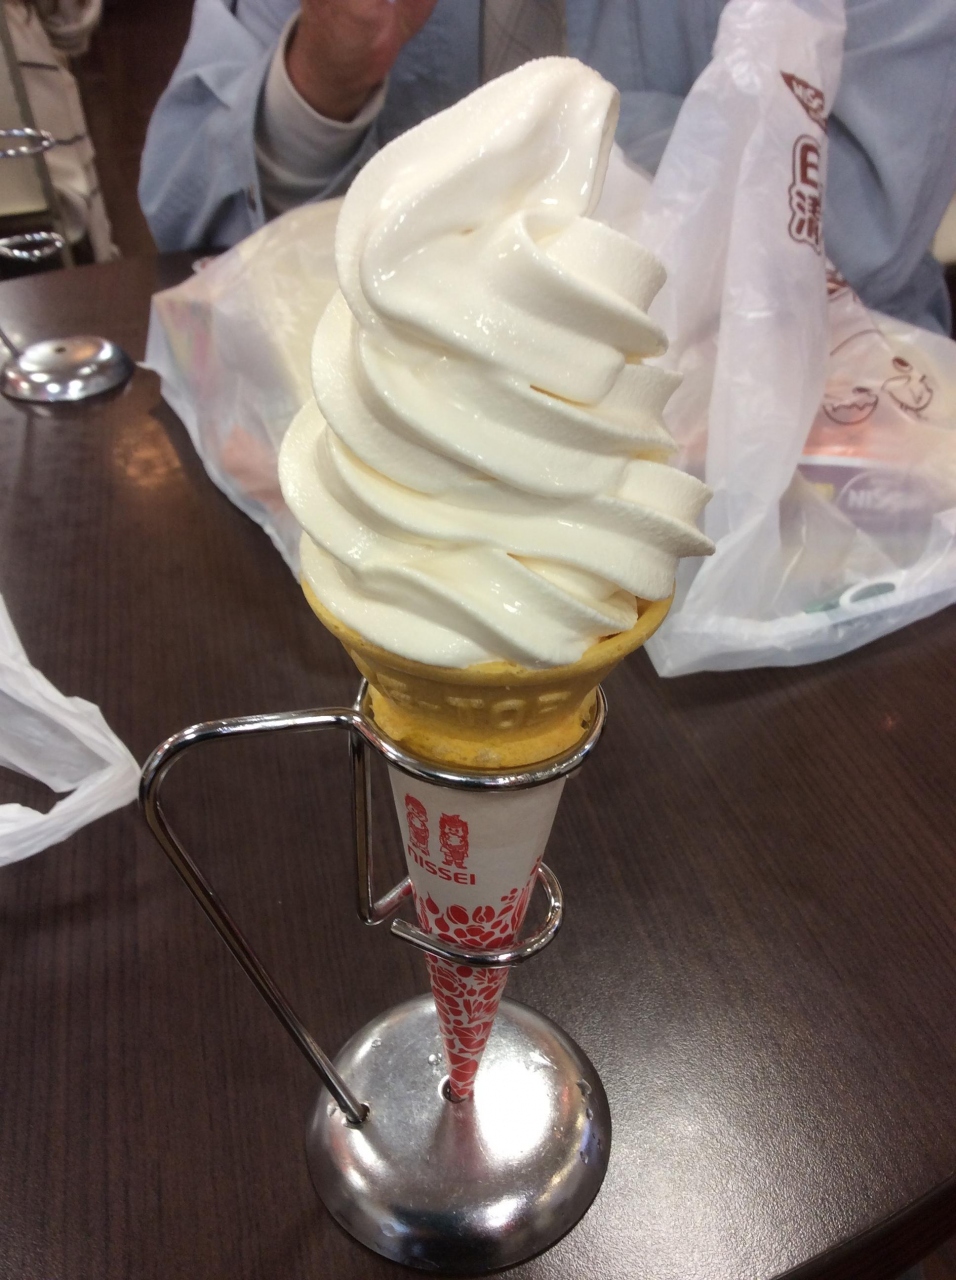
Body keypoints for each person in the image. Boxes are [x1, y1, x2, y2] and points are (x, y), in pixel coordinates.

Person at [140, 0, 956, 335]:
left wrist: (527, 141)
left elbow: (861, 218)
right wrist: (321, 74)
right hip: (412, 444)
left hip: (814, 449)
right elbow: (189, 216)